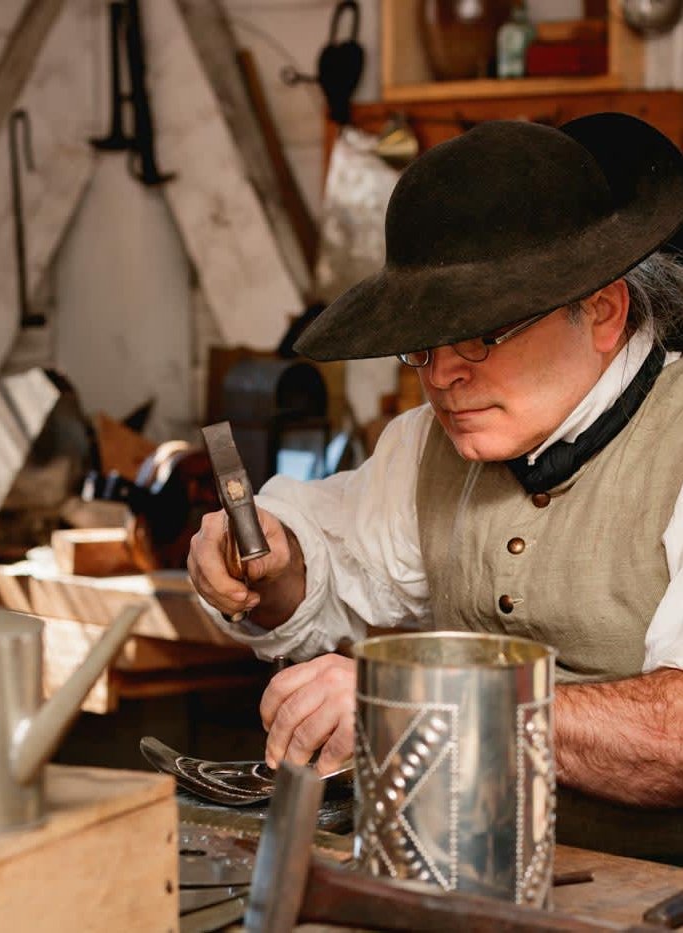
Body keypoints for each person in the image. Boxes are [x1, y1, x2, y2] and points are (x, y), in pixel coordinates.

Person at [188, 112, 683, 852]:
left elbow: (673, 735)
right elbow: (329, 564)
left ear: (603, 313)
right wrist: (268, 561)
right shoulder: (427, 445)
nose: (443, 376)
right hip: (466, 875)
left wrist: (420, 698)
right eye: (422, 345)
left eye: (483, 335)